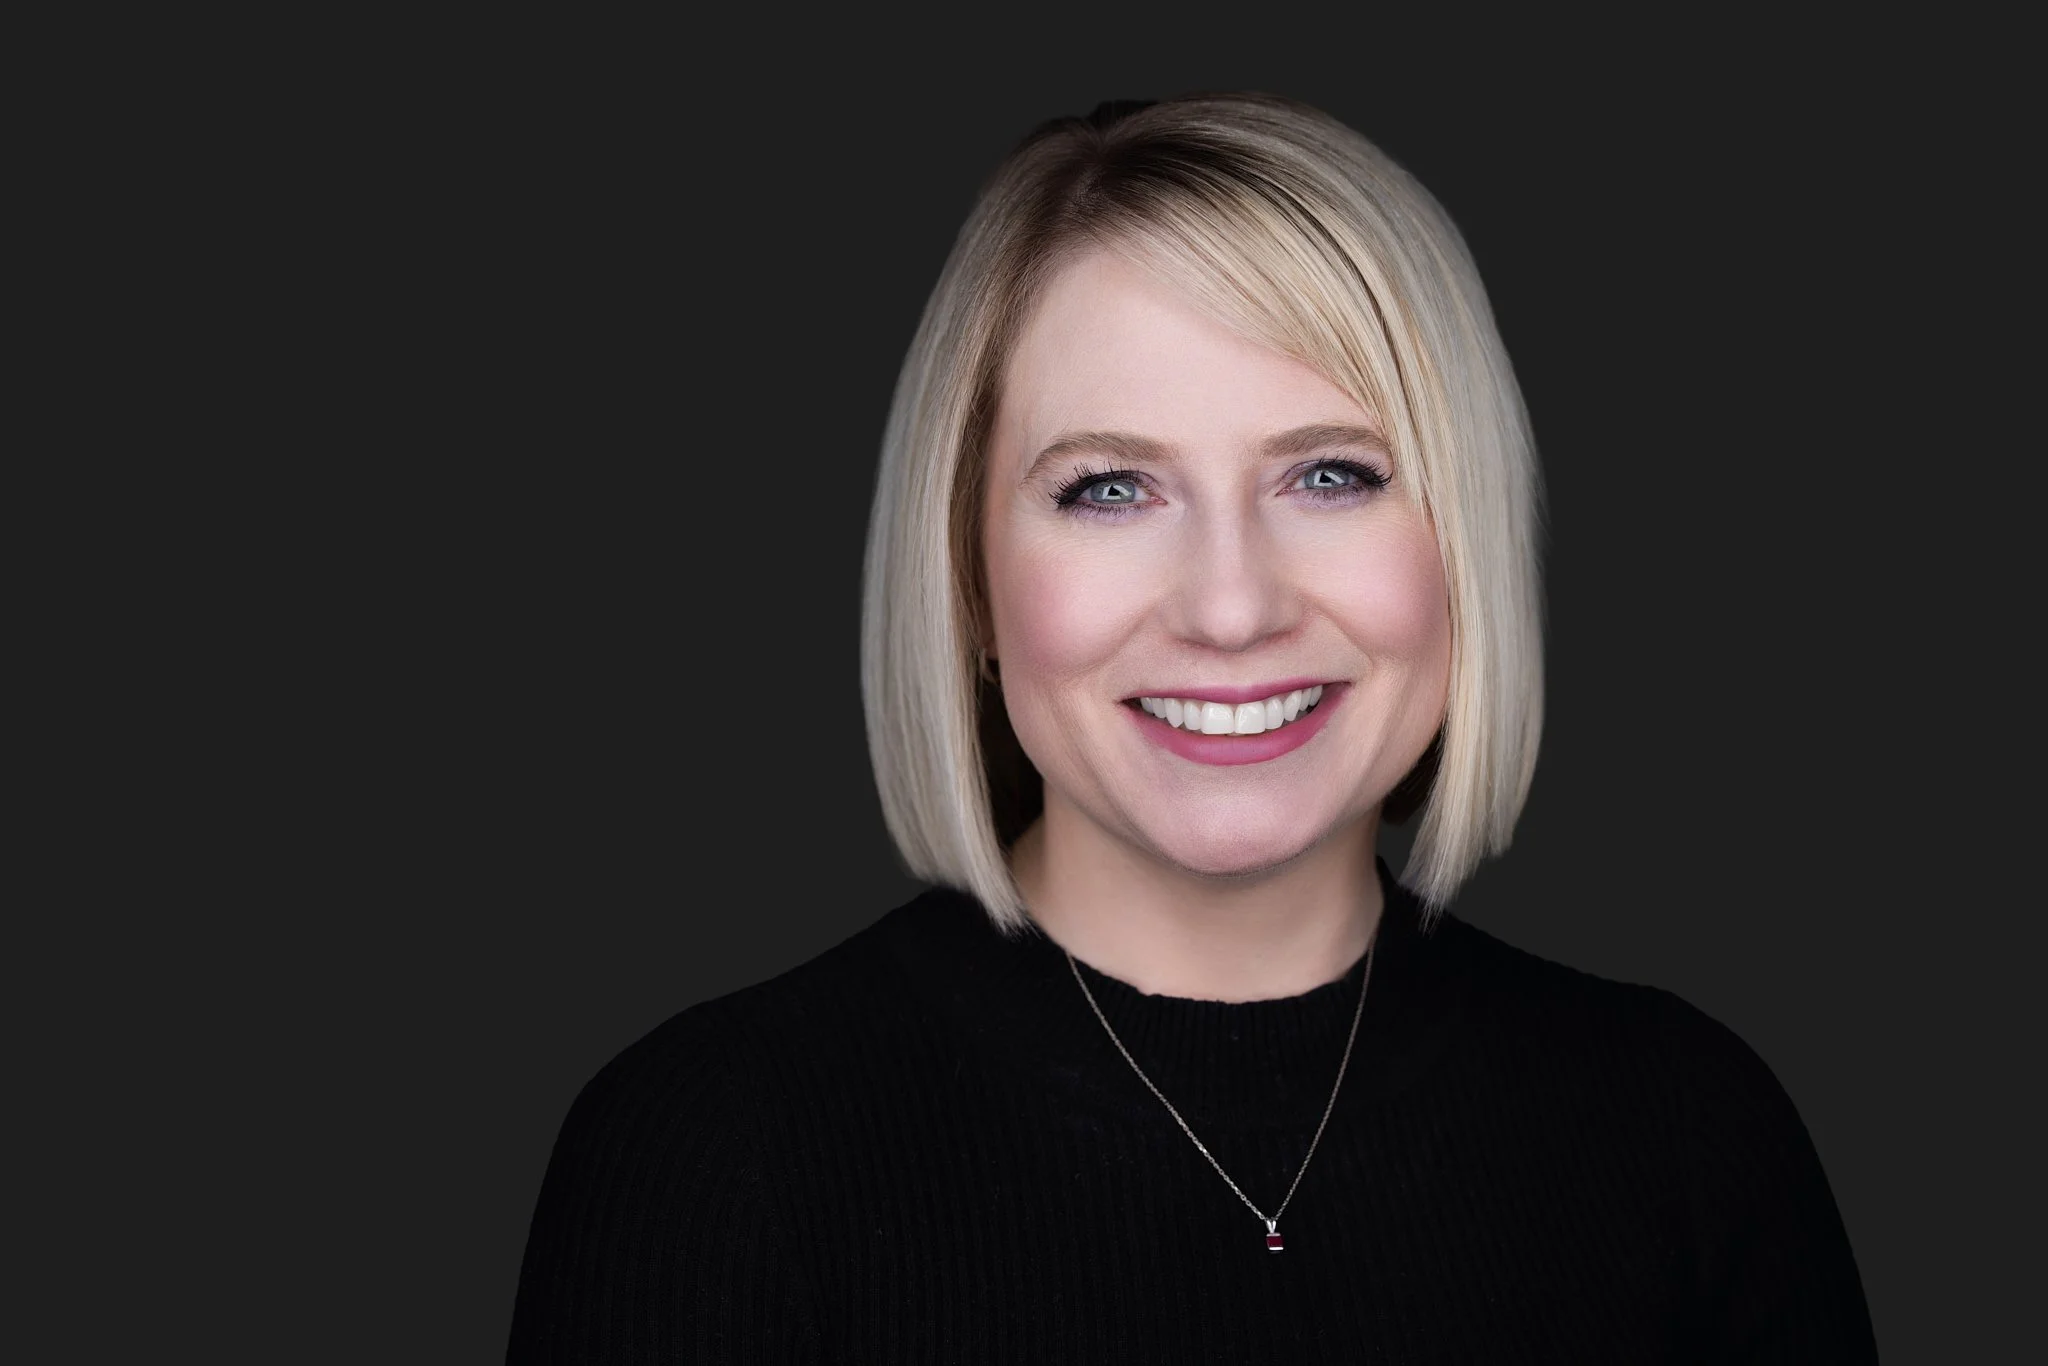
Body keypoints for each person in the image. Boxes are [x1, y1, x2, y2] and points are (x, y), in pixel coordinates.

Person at [506, 92, 1877, 1362]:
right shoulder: (713, 1149)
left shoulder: (1692, 1138)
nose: (1231, 607)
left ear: (1462, 543)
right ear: (971, 577)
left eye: (1331, 474)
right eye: (1109, 488)